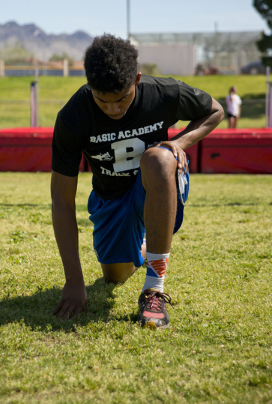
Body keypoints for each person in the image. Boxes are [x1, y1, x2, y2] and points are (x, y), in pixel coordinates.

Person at [51, 34, 224, 329]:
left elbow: (215, 110)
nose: (114, 109)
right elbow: (62, 201)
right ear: (90, 86)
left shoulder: (163, 92)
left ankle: (154, 288)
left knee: (157, 158)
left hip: (159, 182)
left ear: (138, 80)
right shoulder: (73, 116)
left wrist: (179, 142)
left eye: (121, 98)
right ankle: (147, 243)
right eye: (102, 101)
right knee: (115, 276)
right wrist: (74, 280)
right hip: (111, 198)